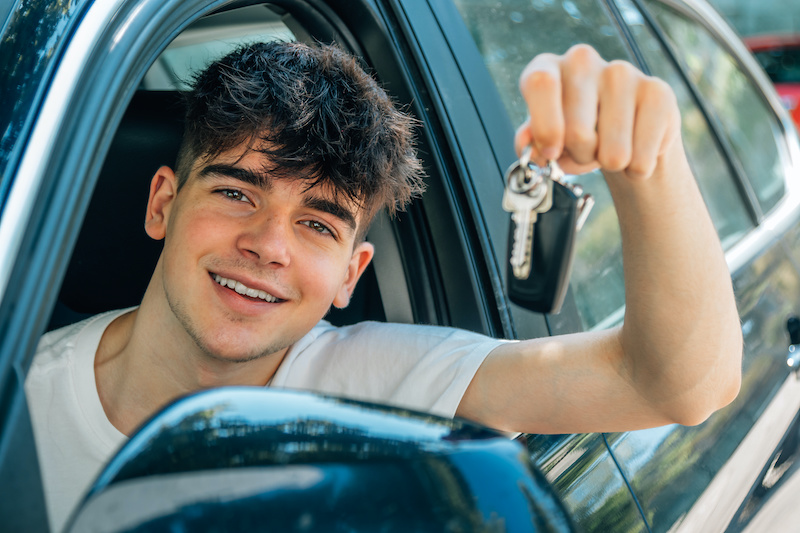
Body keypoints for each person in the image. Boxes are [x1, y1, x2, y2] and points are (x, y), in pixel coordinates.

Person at [25, 41, 742, 532]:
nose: (268, 247)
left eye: (317, 224)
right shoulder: (20, 393)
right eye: (238, 194)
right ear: (161, 203)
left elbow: (675, 384)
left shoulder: (374, 387)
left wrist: (650, 164)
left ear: (350, 274)